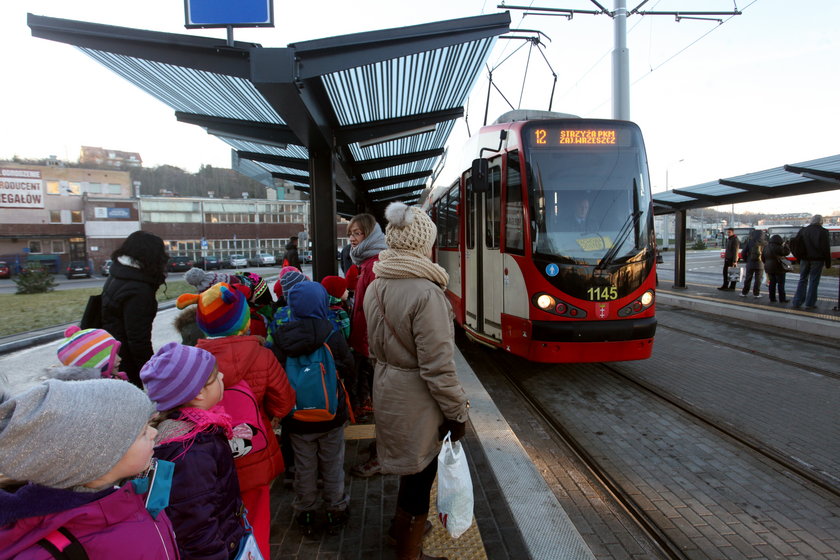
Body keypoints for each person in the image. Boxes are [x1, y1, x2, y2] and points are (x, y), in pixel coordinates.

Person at [364, 201, 469, 560]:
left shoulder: (375, 284)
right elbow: (438, 367)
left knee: (409, 469)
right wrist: (457, 414)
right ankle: (409, 551)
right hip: (417, 398)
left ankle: (401, 528)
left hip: (387, 386)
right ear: (422, 245)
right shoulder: (427, 294)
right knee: (420, 475)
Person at [0, 378, 178, 558]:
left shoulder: (131, 491)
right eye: (143, 432)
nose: (155, 432)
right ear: (99, 461)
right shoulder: (52, 552)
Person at [180, 282, 297, 556]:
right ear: (244, 322)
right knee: (256, 520)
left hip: (207, 459)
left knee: (216, 521)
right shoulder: (263, 355)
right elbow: (285, 402)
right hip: (254, 453)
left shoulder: (193, 361)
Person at [141, 342, 247, 560]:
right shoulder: (190, 450)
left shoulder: (197, 432)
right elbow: (196, 527)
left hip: (227, 536)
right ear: (198, 393)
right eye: (215, 376)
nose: (223, 376)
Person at [272, 281, 355, 538]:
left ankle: (305, 511)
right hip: (331, 416)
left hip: (297, 419)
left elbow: (275, 376)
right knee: (332, 464)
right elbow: (348, 367)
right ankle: (335, 509)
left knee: (304, 466)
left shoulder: (282, 336)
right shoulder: (331, 332)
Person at [346, 213, 388, 476]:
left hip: (373, 344)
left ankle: (384, 454)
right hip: (367, 342)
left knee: (382, 403)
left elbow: (376, 311)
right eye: (350, 233)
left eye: (358, 233)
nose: (352, 238)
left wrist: (370, 345)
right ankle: (381, 447)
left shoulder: (373, 265)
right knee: (379, 400)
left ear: (370, 235)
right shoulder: (366, 262)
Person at [101, 230, 168, 387]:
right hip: (126, 363)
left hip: (113, 353)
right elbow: (138, 340)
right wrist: (153, 374)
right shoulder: (138, 289)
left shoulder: (119, 274)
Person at [791, 214, 832, 309]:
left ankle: (797, 302)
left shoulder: (803, 230)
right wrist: (828, 263)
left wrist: (798, 258)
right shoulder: (823, 232)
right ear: (821, 221)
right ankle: (810, 303)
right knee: (814, 281)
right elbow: (826, 248)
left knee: (802, 279)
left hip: (804, 259)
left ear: (811, 221)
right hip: (817, 260)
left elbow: (797, 245)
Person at [56, 325, 126, 380]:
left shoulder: (114, 379)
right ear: (96, 363)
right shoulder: (105, 391)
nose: (120, 358)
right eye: (112, 356)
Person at [763, 234, 791, 303]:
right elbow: (787, 252)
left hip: (769, 268)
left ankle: (772, 298)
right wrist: (786, 245)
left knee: (772, 283)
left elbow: (762, 258)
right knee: (781, 284)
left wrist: (767, 263)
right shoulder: (779, 247)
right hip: (779, 268)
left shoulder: (766, 247)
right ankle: (782, 299)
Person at [739, 229, 766, 298]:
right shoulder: (765, 243)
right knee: (758, 280)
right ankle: (756, 293)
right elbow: (767, 254)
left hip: (750, 263)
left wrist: (747, 260)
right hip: (760, 264)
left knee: (748, 278)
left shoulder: (750, 242)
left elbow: (743, 253)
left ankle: (744, 292)